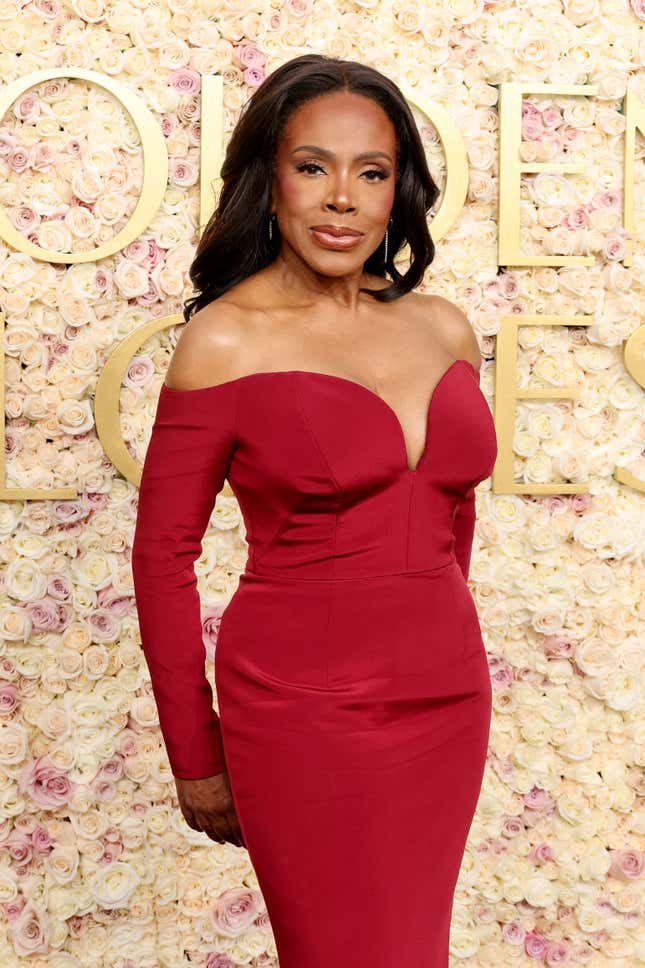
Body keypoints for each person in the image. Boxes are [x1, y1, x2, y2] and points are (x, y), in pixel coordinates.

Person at [131, 53, 498, 968]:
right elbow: (162, 557)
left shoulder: (443, 327)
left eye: (370, 173)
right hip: (305, 714)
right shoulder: (225, 339)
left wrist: (426, 628)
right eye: (312, 167)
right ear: (270, 182)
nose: (341, 199)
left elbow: (452, 518)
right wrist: (195, 754)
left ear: (396, 191)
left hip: (446, 699)